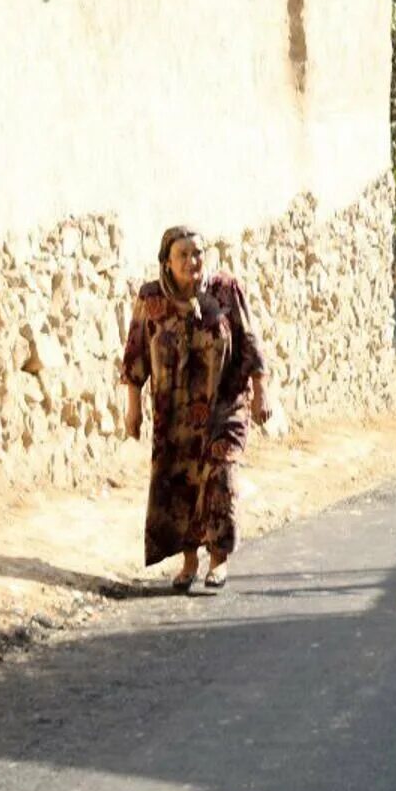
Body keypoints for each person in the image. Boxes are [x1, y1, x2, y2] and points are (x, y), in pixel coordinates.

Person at [122, 226, 276, 592]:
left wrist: (261, 391)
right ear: (167, 261)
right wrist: (133, 409)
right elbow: (135, 354)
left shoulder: (224, 290)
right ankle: (189, 561)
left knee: (220, 476)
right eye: (183, 254)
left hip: (224, 403)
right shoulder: (151, 298)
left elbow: (249, 341)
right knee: (181, 483)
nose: (192, 261)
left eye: (198, 253)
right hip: (174, 411)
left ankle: (219, 560)